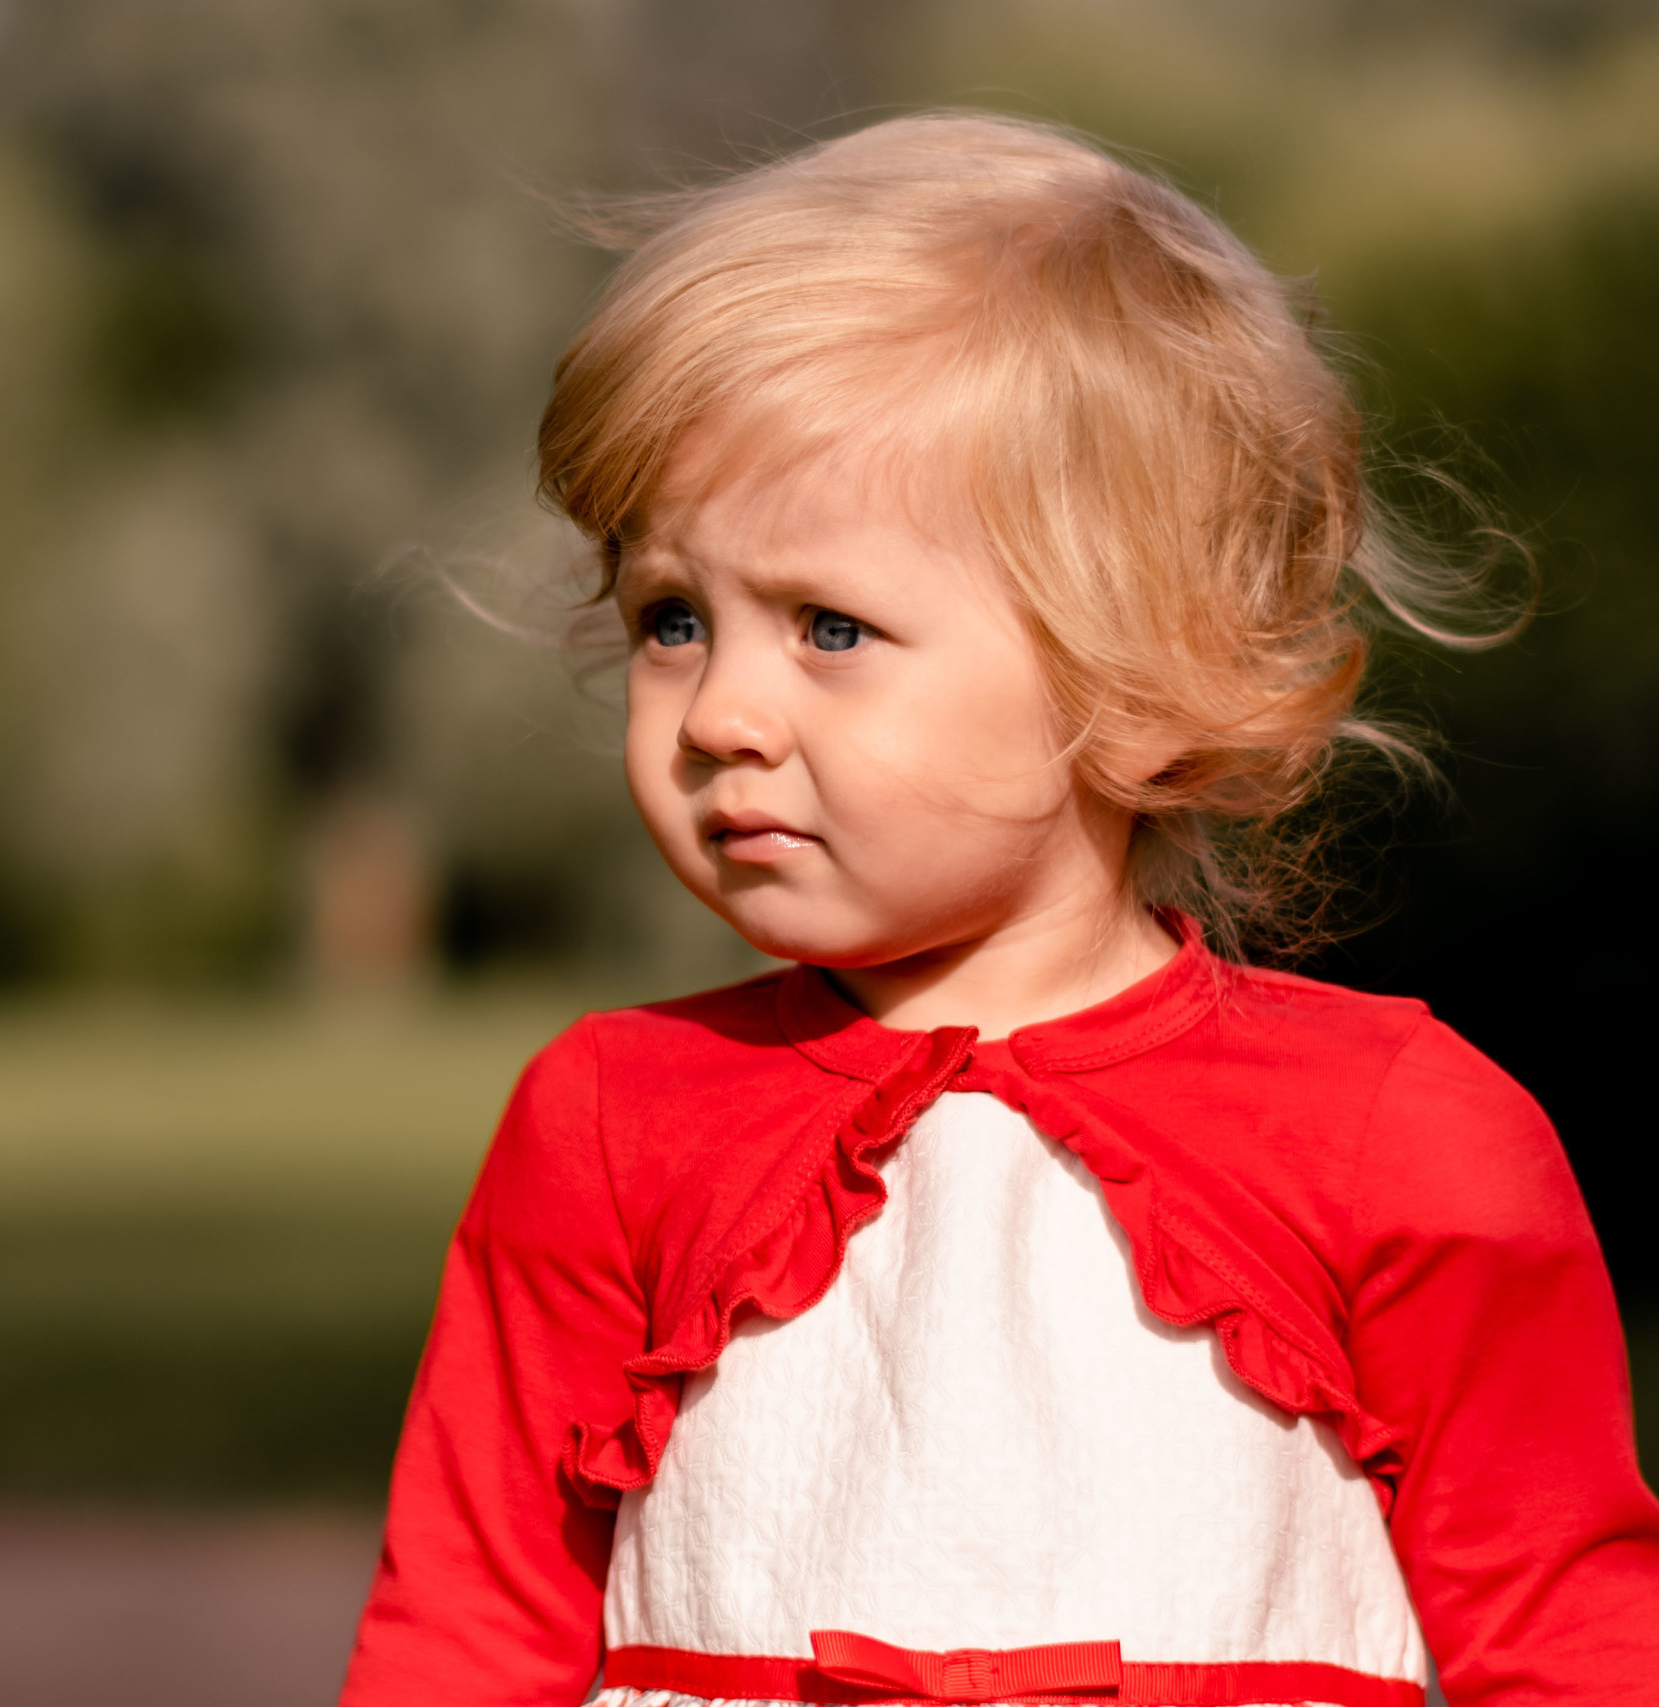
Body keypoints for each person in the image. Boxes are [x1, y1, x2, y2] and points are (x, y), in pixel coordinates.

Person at [338, 113, 1659, 1707]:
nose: (717, 712)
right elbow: (467, 1634)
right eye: (673, 619)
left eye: (831, 626)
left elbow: (1573, 1640)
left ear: (1144, 677)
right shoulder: (606, 1126)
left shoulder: (1405, 1136)